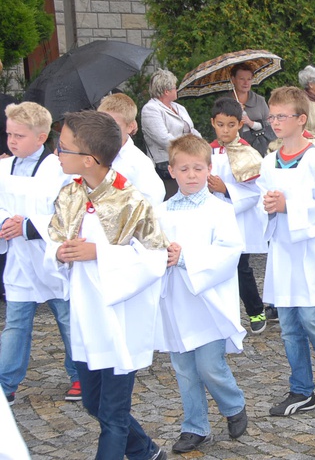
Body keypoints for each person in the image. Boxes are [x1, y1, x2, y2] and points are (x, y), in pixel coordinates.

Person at [45, 110, 169, 460]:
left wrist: (99, 253)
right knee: (92, 402)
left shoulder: (129, 200)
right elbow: (53, 240)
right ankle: (146, 452)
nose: (56, 152)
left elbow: (155, 257)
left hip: (120, 319)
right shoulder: (70, 194)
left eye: (63, 147)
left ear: (88, 159)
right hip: (87, 315)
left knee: (112, 417)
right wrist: (60, 253)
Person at [258, 86, 315, 416]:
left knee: (312, 319)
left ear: (300, 119)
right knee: (288, 326)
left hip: (312, 252)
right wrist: (268, 206)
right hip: (283, 252)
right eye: (272, 116)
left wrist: (289, 206)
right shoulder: (269, 162)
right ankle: (302, 390)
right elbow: (262, 200)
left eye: (281, 116)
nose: (274, 122)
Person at [155, 134, 248, 453]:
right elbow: (150, 248)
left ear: (209, 169)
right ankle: (195, 426)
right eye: (184, 169)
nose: (191, 175)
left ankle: (233, 403)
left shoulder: (219, 210)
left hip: (208, 301)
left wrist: (185, 258)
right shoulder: (162, 211)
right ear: (171, 171)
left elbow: (229, 251)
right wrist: (161, 255)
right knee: (184, 368)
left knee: (209, 365)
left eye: (197, 168)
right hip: (177, 301)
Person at [0, 102, 79, 406]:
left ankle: (79, 374)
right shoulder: (3, 167)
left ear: (42, 136)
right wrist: (5, 222)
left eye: (19, 135)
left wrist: (28, 226)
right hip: (19, 261)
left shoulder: (58, 169)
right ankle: (6, 383)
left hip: (50, 259)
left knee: (68, 320)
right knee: (16, 323)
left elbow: (66, 212)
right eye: (10, 134)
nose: (12, 141)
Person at [207, 98, 266, 333]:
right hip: (212, 220)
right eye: (220, 125)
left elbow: (255, 192)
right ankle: (221, 315)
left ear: (239, 125)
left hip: (237, 220)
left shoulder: (247, 153)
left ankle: (255, 310)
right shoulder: (206, 152)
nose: (225, 130)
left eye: (231, 125)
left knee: (241, 268)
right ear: (213, 123)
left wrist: (226, 190)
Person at [142, 68, 202, 198]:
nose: (177, 90)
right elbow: (164, 139)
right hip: (166, 164)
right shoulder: (150, 110)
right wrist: (189, 147)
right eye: (175, 87)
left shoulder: (179, 107)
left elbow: (192, 130)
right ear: (166, 91)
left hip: (188, 159)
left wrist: (201, 145)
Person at [98, 94, 166, 206]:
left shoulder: (138, 162)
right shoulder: (90, 154)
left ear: (130, 127)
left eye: (114, 125)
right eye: (101, 123)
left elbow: (153, 199)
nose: (106, 130)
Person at [228, 63, 275, 156]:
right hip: (236, 152)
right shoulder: (225, 103)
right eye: (242, 79)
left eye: (249, 79)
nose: (246, 83)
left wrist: (252, 123)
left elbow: (271, 124)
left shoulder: (260, 100)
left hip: (261, 150)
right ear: (233, 80)